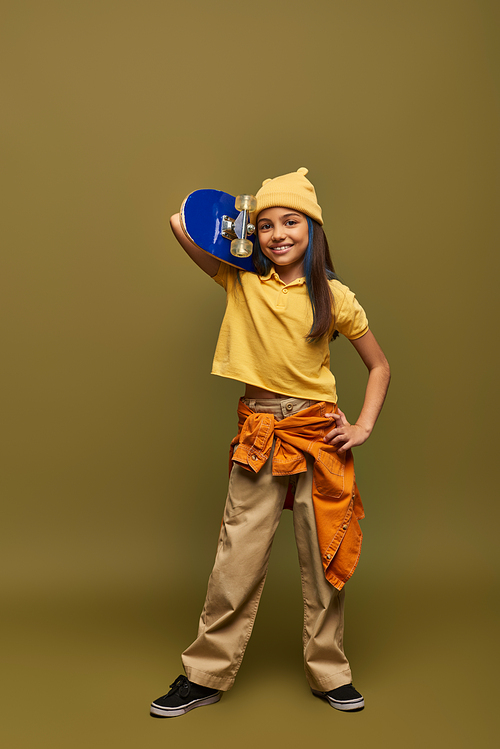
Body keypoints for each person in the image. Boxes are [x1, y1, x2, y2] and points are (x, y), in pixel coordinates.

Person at [150, 168, 390, 718]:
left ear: (314, 229)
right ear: (249, 233)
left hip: (320, 433)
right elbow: (178, 224)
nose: (278, 233)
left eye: (291, 222)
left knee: (325, 557)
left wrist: (362, 427)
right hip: (260, 434)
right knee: (236, 560)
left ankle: (329, 673)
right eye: (264, 225)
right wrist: (237, 220)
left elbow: (379, 367)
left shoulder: (335, 296)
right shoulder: (240, 281)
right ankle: (205, 674)